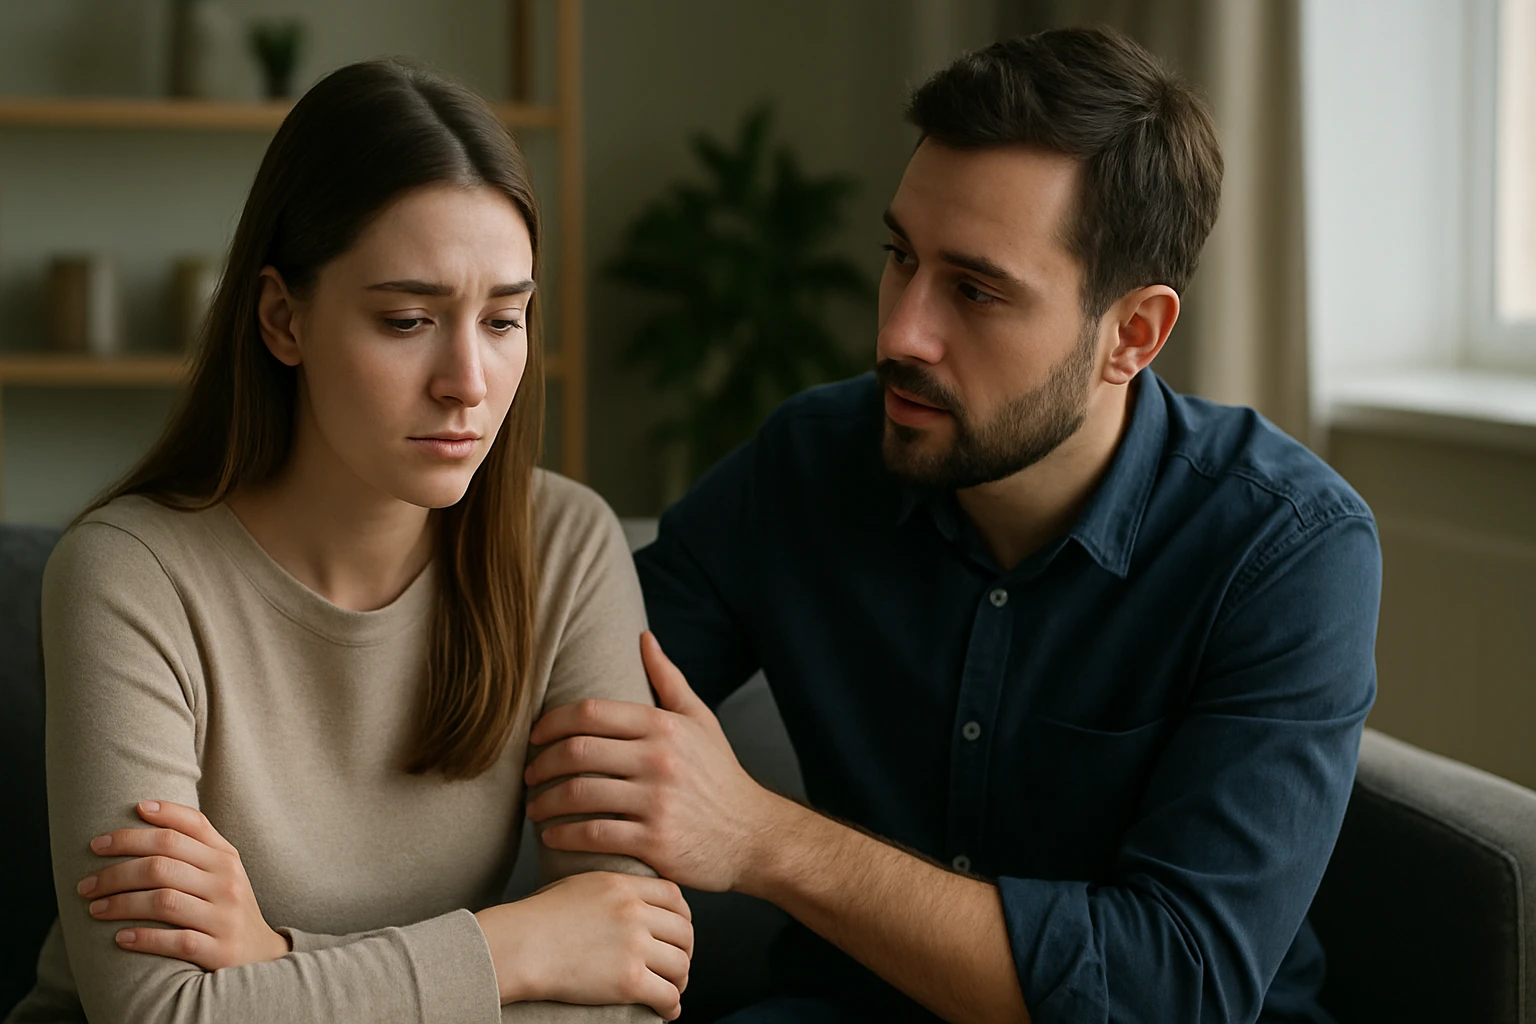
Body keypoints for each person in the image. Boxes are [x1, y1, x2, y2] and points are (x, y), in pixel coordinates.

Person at [521, 27, 1381, 1024]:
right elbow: (553, 693)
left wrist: (766, 838)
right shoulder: (809, 464)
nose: (899, 333)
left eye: (976, 290)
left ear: (1133, 335)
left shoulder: (1284, 548)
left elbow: (1173, 985)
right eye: (900, 258)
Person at [6, 59, 692, 1024]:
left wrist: (276, 960)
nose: (468, 380)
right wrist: (518, 946)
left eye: (504, 319)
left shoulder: (565, 546)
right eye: (407, 319)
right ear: (284, 318)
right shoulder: (129, 573)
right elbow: (160, 1012)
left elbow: (629, 974)